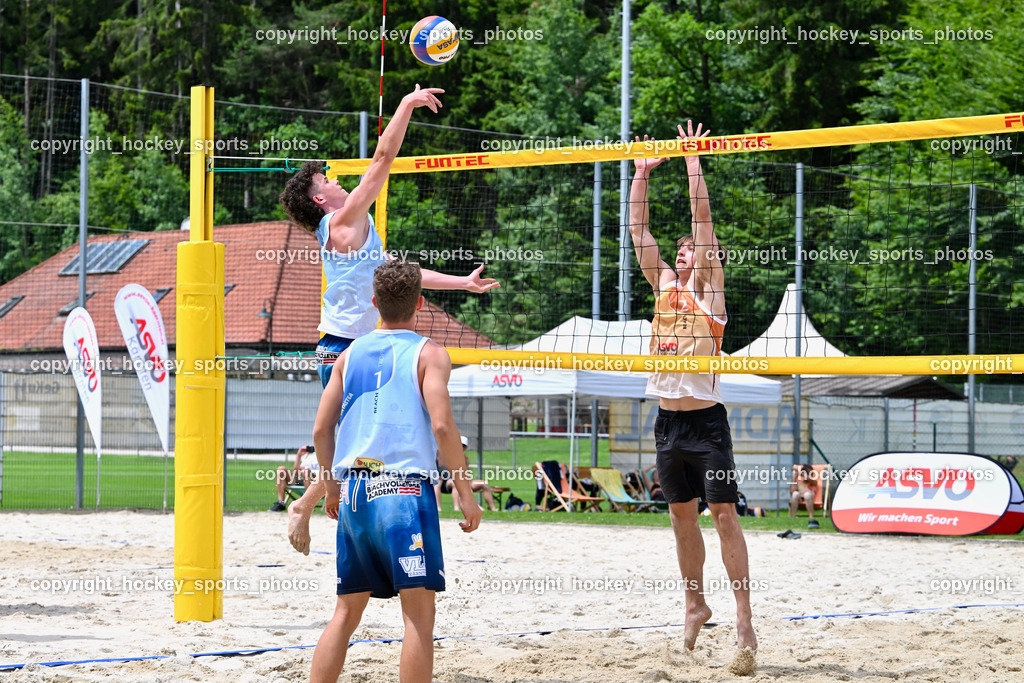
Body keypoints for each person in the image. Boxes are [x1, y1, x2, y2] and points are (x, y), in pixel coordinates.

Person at [280, 84, 499, 553]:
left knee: (372, 449)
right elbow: (382, 158)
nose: (338, 181)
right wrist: (406, 104)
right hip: (345, 350)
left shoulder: (354, 228)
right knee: (364, 447)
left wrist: (462, 283)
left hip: (360, 348)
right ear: (321, 200)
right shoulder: (341, 223)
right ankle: (309, 505)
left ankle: (324, 506)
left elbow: (401, 276)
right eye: (328, 182)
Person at [309, 259, 481, 683]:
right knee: (419, 619)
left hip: (354, 493)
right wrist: (465, 491)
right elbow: (442, 426)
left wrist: (331, 489)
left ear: (374, 302)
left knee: (347, 612)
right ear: (421, 303)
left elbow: (320, 430)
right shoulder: (430, 353)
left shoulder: (348, 354)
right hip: (403, 494)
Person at [628, 121, 757, 657]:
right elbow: (639, 231)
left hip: (707, 424)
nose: (683, 253)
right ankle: (694, 604)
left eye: (691, 251)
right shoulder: (661, 287)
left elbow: (702, 219)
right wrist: (640, 177)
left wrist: (691, 160)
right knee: (681, 518)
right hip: (668, 423)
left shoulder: (712, 295)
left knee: (724, 515)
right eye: (679, 251)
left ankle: (745, 617)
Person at [434, 436, 500, 512]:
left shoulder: (465, 458)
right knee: (457, 483)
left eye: (463, 446)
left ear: (465, 447)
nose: (460, 447)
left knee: (484, 483)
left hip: (463, 481)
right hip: (448, 481)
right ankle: (456, 508)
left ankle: (492, 508)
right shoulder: (447, 456)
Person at [269, 445, 318, 512]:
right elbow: (296, 473)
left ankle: (309, 503)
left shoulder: (327, 455)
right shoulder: (310, 456)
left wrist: (307, 471)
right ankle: (281, 503)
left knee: (306, 472)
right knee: (281, 469)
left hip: (317, 482)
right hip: (303, 480)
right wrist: (299, 455)